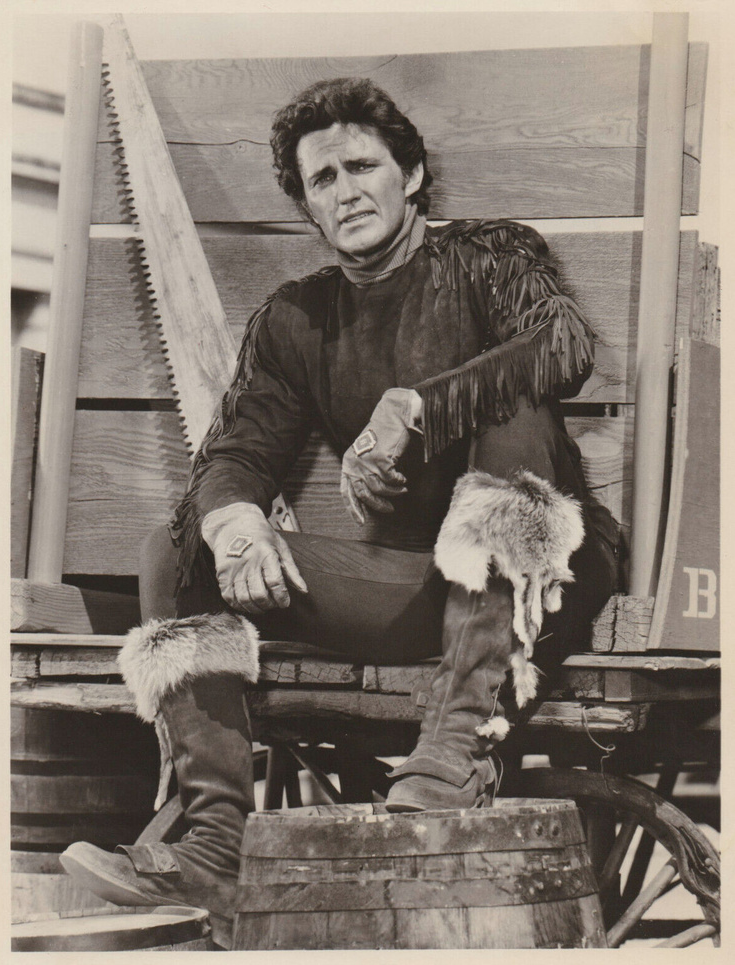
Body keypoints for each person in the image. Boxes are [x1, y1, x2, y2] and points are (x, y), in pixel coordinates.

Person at [61, 77, 620, 947]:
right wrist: (236, 525)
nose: (346, 190)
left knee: (515, 413)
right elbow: (234, 454)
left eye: (363, 166)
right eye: (322, 179)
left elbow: (563, 344)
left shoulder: (491, 257)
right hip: (417, 587)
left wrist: (416, 408)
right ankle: (214, 840)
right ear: (308, 207)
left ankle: (459, 747)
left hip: (540, 574)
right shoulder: (295, 320)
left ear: (412, 175)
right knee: (178, 551)